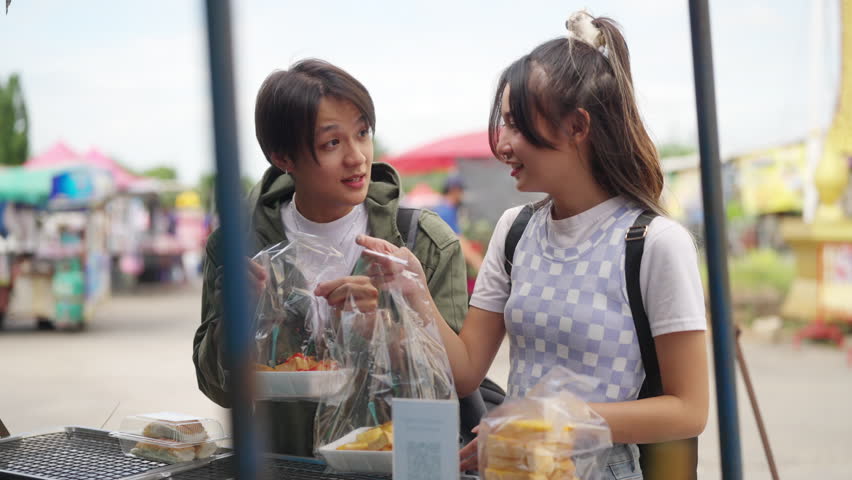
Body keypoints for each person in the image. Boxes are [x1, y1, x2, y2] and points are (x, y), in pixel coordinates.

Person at [354, 11, 708, 478]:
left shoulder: (655, 243)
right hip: (514, 466)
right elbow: (465, 372)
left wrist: (555, 421)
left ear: (578, 126)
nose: (502, 145)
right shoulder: (515, 230)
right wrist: (415, 289)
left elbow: (688, 410)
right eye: (503, 125)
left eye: (517, 126)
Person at [192, 59, 470, 456]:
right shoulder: (238, 248)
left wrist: (386, 329)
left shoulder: (421, 241)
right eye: (332, 143)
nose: (357, 157)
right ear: (284, 158)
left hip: (393, 463)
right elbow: (217, 386)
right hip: (284, 465)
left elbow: (455, 381)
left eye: (362, 133)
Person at [431, 175, 484, 273]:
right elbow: (460, 242)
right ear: (454, 190)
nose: (462, 194)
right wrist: (481, 266)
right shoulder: (445, 211)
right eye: (461, 191)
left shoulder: (444, 208)